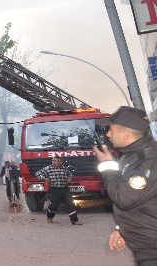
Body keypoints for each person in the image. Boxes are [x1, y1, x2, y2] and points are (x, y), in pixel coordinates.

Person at [93, 106, 157, 265]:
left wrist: (108, 166)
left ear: (126, 134)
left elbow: (124, 198)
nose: (107, 134)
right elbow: (139, 202)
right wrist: (120, 228)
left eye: (111, 129)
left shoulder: (148, 160)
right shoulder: (130, 156)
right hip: (146, 245)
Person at [34, 156, 82, 225]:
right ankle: (50, 217)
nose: (54, 162)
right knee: (53, 205)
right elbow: (37, 174)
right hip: (54, 190)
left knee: (70, 204)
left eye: (56, 161)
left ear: (61, 162)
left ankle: (74, 220)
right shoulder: (48, 169)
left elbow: (70, 175)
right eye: (53, 161)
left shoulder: (65, 169)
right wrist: (44, 178)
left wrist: (70, 178)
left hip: (65, 189)